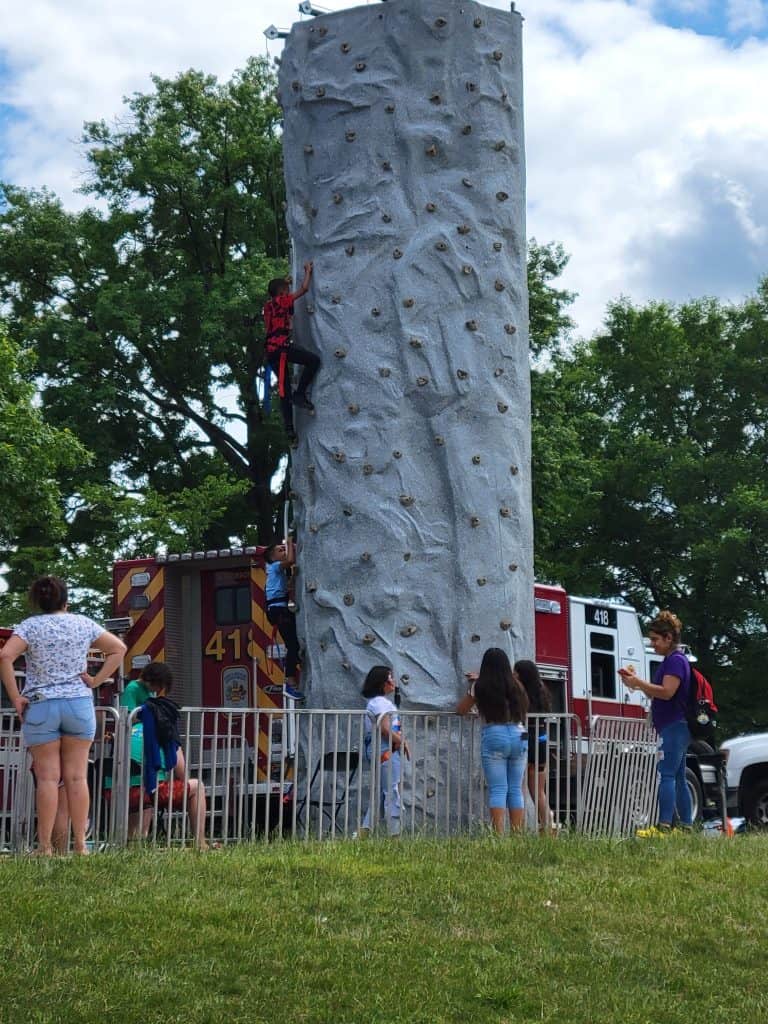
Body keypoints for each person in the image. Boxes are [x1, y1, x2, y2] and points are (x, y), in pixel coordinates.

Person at [0, 576, 126, 855]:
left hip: (42, 704)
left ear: (38, 601)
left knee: (47, 778)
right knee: (77, 777)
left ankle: (44, 846)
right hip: (79, 705)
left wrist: (16, 696)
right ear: (66, 601)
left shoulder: (29, 627)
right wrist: (95, 680)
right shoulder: (82, 623)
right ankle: (80, 845)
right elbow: (119, 649)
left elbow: (5, 656)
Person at [618, 610, 693, 836]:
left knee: (666, 774)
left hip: (673, 726)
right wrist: (637, 685)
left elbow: (667, 692)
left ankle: (664, 826)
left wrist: (639, 682)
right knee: (678, 776)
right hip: (674, 725)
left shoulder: (675, 662)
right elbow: (660, 694)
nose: (652, 645)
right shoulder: (673, 661)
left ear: (669, 638)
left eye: (655, 639)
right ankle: (686, 826)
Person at [126, 663, 209, 850]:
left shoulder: (131, 730)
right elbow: (180, 767)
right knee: (197, 787)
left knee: (140, 802)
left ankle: (133, 845)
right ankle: (200, 843)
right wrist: (184, 780)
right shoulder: (161, 728)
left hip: (119, 787)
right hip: (148, 789)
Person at [457, 648, 529, 834]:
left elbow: (461, 709)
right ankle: (517, 835)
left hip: (494, 733)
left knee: (498, 789)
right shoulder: (517, 685)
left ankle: (498, 835)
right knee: (515, 788)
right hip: (520, 733)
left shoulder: (481, 686)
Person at [263, 261, 320, 439]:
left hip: (271, 351)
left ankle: (289, 429)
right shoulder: (282, 300)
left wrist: (285, 283)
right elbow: (303, 289)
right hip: (281, 348)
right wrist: (308, 272)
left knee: (283, 389)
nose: (289, 294)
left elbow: (281, 298)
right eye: (286, 291)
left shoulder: (268, 306)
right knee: (313, 360)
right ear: (281, 293)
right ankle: (300, 393)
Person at [360, 666, 410, 837]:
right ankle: (394, 835)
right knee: (392, 790)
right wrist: (402, 742)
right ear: (382, 683)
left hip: (384, 751)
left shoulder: (377, 702)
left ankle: (363, 834)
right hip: (386, 751)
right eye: (390, 679)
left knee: (381, 794)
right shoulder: (380, 703)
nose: (393, 682)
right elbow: (385, 729)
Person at [514, 659, 556, 834]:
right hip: (541, 738)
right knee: (538, 792)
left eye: (515, 673)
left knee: (520, 789)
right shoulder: (542, 691)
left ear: (521, 675)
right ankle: (549, 826)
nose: (513, 675)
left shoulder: (519, 692)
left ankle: (520, 828)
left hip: (524, 737)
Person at [264, 539, 304, 701]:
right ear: (273, 557)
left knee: (295, 641)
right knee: (292, 644)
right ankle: (289, 681)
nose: (284, 551)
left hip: (280, 609)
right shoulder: (274, 567)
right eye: (280, 550)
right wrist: (289, 543)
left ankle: (296, 667)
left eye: (284, 549)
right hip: (278, 609)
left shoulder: (278, 572)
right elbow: (291, 560)